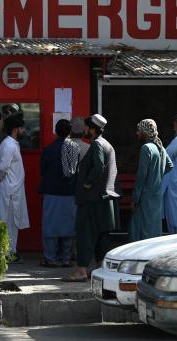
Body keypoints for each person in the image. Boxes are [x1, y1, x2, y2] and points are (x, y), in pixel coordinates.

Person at [64, 114, 120, 282]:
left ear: (92, 129)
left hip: (91, 199)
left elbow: (98, 166)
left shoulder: (96, 144)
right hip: (104, 199)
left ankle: (81, 271)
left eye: (87, 127)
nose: (85, 130)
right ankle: (100, 269)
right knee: (101, 236)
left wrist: (88, 183)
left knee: (85, 234)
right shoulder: (107, 144)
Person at [128, 119, 173, 242]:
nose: (137, 133)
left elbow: (141, 177)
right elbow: (170, 165)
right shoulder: (160, 148)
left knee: (140, 232)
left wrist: (135, 199)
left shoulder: (146, 148)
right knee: (153, 230)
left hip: (145, 197)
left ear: (145, 132)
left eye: (139, 130)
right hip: (156, 196)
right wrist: (157, 175)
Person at [39, 119, 76, 267]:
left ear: (56, 131)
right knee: (68, 225)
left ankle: (51, 258)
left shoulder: (49, 149)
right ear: (70, 132)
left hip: (52, 192)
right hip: (70, 192)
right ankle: (65, 258)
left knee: (50, 226)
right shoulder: (74, 148)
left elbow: (43, 170)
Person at [0, 114, 30, 263]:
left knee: (12, 222)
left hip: (12, 189)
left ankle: (10, 251)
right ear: (16, 129)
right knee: (8, 222)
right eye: (22, 128)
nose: (25, 130)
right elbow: (2, 167)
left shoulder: (11, 143)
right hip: (9, 189)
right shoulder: (9, 145)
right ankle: (7, 252)